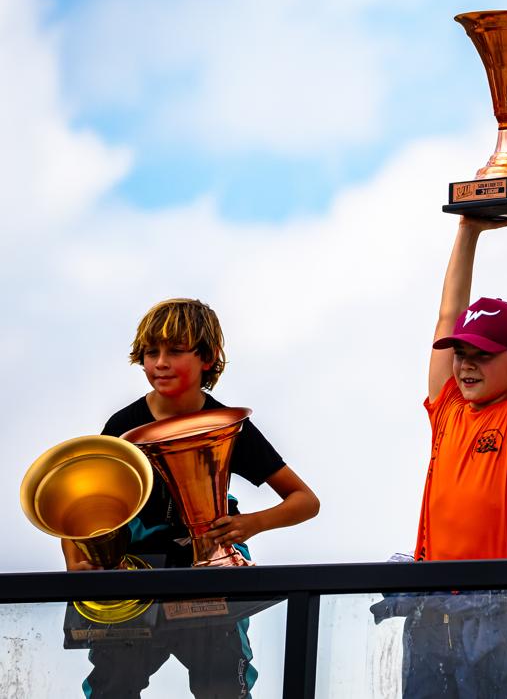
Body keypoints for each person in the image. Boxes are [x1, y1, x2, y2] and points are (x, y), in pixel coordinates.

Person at [69, 297, 320, 699]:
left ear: (208, 357)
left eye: (175, 351)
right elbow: (81, 507)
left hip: (212, 577)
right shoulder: (122, 425)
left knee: (224, 688)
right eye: (151, 352)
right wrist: (77, 565)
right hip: (137, 578)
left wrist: (251, 524)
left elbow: (304, 500)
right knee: (112, 687)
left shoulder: (231, 425)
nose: (160, 363)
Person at [394, 212, 507, 698]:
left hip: (497, 618)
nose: (467, 364)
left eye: (483, 354)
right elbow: (446, 318)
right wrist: (466, 232)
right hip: (430, 616)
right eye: (462, 353)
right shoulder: (446, 407)